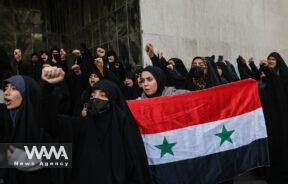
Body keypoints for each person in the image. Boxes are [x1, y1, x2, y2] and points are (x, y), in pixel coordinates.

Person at [39, 66, 151, 184]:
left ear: (114, 101)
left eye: (103, 95)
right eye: (93, 95)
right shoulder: (81, 125)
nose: (96, 98)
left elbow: (136, 172)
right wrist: (46, 88)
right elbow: (50, 122)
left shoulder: (126, 132)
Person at [0, 75, 58, 184]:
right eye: (5, 88)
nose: (6, 93)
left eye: (14, 88)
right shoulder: (6, 119)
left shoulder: (42, 126)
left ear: (26, 93)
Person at [259, 52, 288, 184]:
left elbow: (278, 85)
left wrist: (266, 70)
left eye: (273, 59)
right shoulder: (265, 77)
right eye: (269, 58)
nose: (270, 61)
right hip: (268, 116)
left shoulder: (281, 76)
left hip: (280, 117)